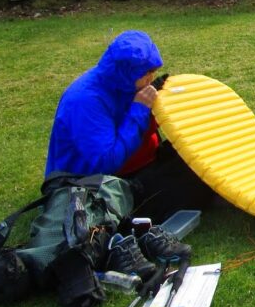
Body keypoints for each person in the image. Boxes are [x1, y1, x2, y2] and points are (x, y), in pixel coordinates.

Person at [46, 30, 214, 223]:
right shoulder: (85, 101)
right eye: (147, 73)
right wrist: (140, 110)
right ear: (128, 72)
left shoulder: (126, 84)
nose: (151, 78)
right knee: (191, 183)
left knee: (200, 156)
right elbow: (106, 163)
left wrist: (164, 109)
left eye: (153, 71)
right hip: (93, 185)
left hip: (138, 164)